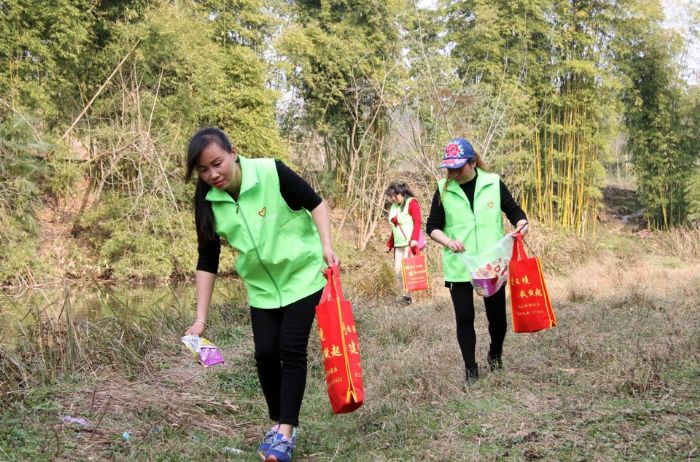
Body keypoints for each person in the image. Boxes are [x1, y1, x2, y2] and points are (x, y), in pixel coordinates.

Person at [184, 127, 340, 462]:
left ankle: (285, 432)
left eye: (217, 163)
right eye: (203, 170)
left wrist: (327, 246)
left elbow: (317, 204)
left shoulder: (271, 172)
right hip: (261, 287)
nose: (213, 174)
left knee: (291, 347)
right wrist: (200, 319)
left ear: (233, 152)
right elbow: (207, 260)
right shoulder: (207, 201)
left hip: (303, 275)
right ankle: (279, 423)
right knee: (266, 355)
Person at [426, 137, 528, 384]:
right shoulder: (443, 189)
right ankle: (470, 369)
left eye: (459, 168)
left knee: (498, 319)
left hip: (490, 264)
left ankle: (495, 353)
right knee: (464, 316)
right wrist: (448, 241)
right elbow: (432, 227)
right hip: (460, 263)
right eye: (449, 169)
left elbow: (514, 211)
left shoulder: (493, 183)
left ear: (473, 162)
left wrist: (522, 224)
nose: (454, 173)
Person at [384, 181, 423, 305]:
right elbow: (395, 227)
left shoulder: (412, 202)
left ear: (400, 193)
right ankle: (405, 296)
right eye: (391, 197)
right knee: (398, 272)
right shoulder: (394, 207)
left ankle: (409, 298)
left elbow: (418, 222)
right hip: (398, 244)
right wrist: (389, 244)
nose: (392, 199)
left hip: (409, 244)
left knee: (407, 271)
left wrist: (414, 240)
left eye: (393, 196)